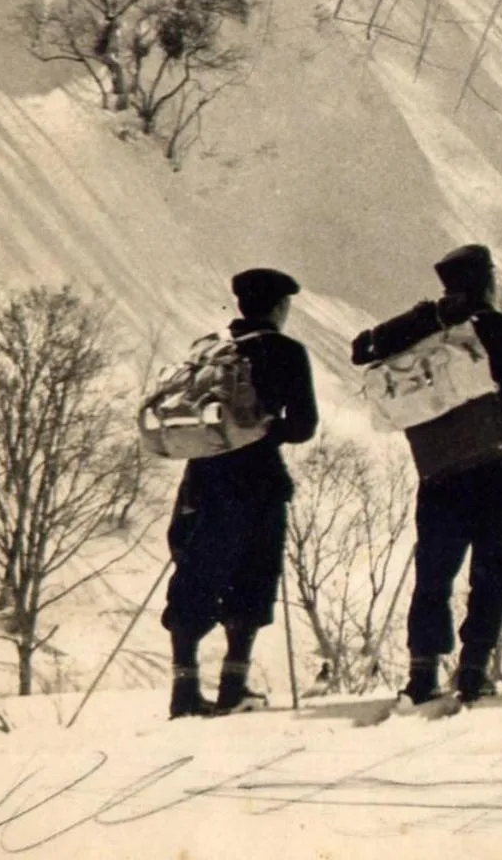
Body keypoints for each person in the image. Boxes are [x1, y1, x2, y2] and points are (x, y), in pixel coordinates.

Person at [351, 244, 502, 706]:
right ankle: (473, 669)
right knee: (492, 570)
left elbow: (361, 349)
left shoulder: (423, 333)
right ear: (489, 282)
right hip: (501, 465)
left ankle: (422, 673)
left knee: (434, 571)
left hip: (439, 469)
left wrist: (425, 318)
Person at [162, 267, 319, 718]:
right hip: (258, 481)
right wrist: (266, 429)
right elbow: (303, 426)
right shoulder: (286, 352)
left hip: (202, 480)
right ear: (279, 307)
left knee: (194, 578)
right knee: (252, 579)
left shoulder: (210, 350)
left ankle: (184, 690)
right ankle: (233, 686)